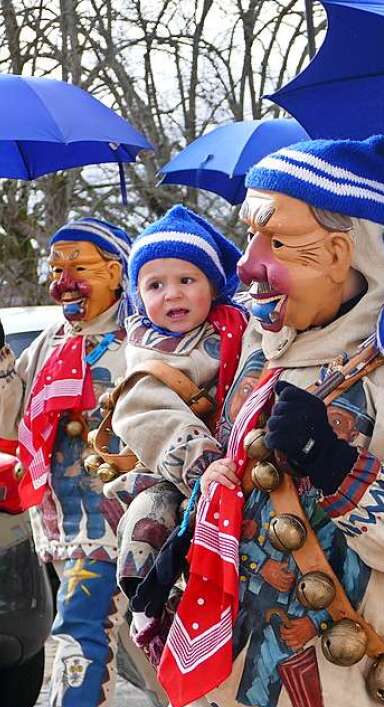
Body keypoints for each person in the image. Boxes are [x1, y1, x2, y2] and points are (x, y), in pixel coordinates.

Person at [157, 136, 384, 707]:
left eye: (274, 242)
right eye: (249, 236)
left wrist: (330, 460)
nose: (247, 263)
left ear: (337, 252)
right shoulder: (259, 341)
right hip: (215, 683)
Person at [0, 218, 168, 707]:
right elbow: (8, 424)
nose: (64, 281)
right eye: (57, 270)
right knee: (131, 642)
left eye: (79, 268)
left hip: (127, 520)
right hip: (63, 525)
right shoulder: (50, 344)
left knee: (84, 624)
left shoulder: (142, 340)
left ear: (115, 271)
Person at [101, 205, 248, 662]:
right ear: (137, 294)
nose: (172, 295)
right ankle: (153, 608)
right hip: (179, 469)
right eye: (155, 285)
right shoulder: (145, 352)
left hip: (243, 461)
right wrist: (202, 462)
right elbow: (152, 417)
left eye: (188, 280)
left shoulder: (241, 328)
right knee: (149, 518)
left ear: (213, 285)